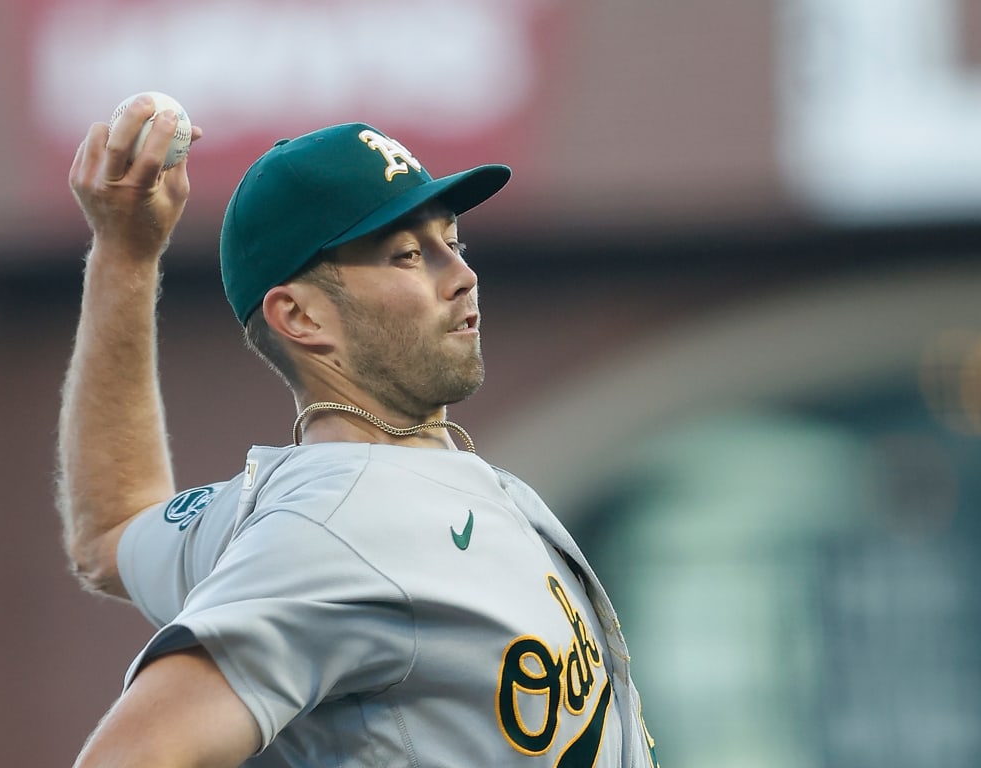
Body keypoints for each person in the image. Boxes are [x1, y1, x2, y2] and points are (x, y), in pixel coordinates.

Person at [56, 95, 657, 767]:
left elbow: (112, 531)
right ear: (302, 318)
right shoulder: (338, 525)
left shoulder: (274, 514)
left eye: (451, 243)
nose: (462, 276)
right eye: (407, 255)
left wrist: (125, 256)